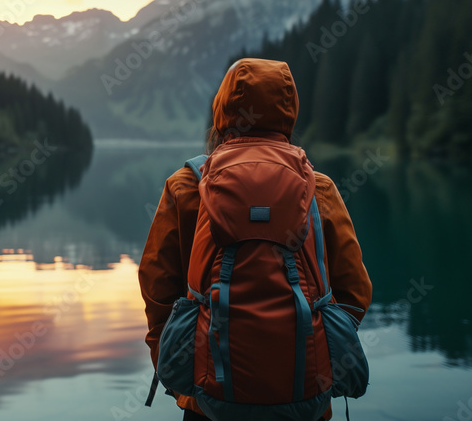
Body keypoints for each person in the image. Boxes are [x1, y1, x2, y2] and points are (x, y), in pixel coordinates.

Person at [138, 58, 373, 420]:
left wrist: (179, 367)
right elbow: (355, 290)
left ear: (221, 112)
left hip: (207, 400)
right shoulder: (318, 188)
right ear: (289, 113)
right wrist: (320, 352)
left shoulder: (187, 185)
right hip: (306, 401)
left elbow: (157, 288)